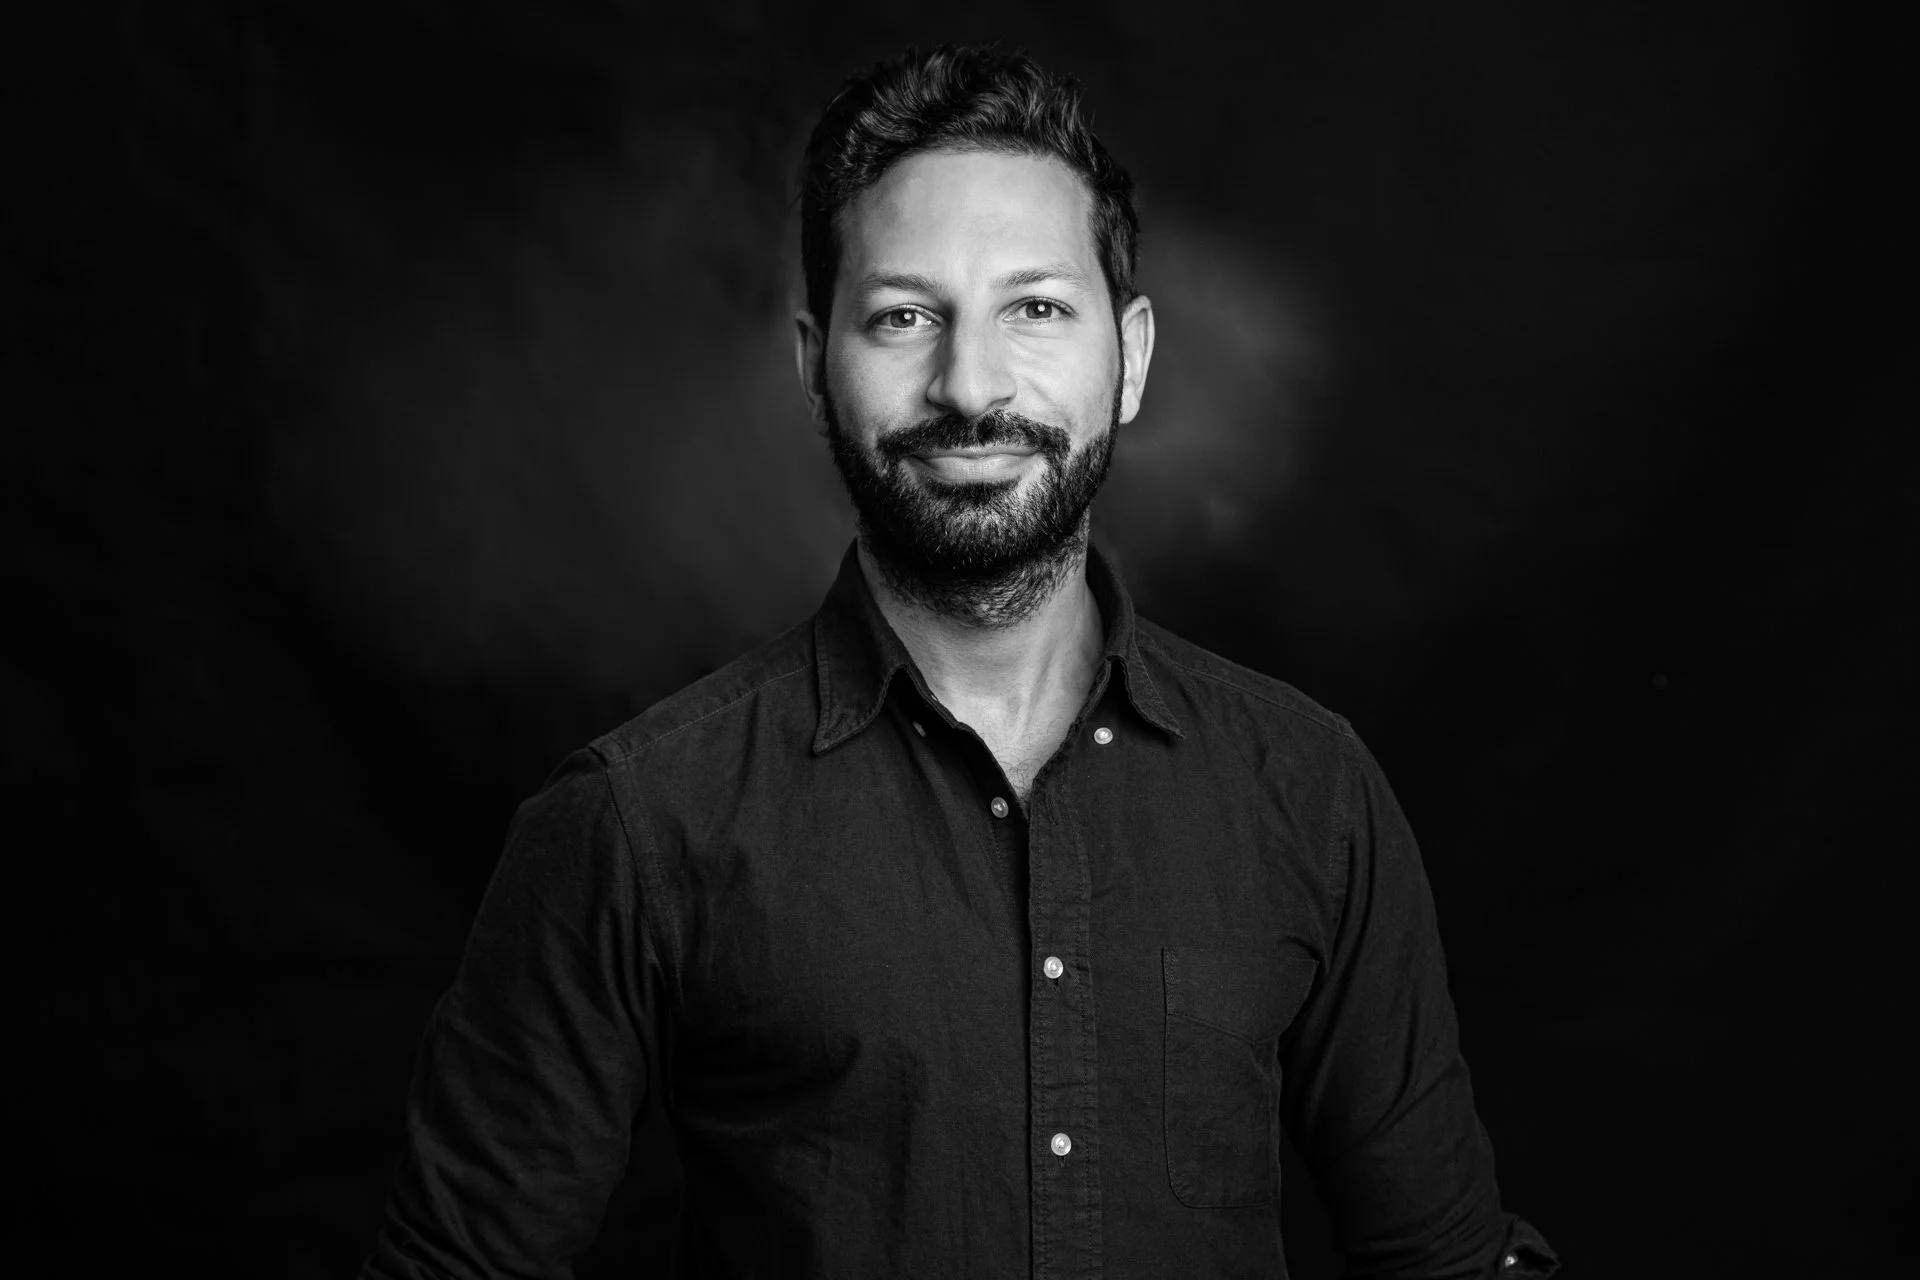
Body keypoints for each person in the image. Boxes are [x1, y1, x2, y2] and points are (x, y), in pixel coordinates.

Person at [362, 44, 1558, 1280]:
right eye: (904, 316)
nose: (971, 384)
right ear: (812, 366)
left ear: (1132, 357)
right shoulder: (638, 821)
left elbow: (1447, 1263)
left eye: (1034, 307)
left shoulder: (1311, 791)